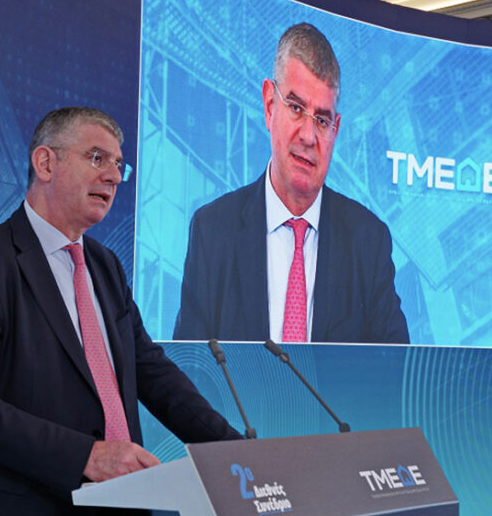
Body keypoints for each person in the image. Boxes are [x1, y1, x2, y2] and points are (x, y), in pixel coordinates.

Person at [0, 107, 241, 515]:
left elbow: (153, 374)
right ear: (45, 163)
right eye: (97, 158)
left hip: (119, 501)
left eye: (119, 165)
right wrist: (87, 457)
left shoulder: (106, 266)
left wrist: (236, 452)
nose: (114, 176)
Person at [173, 23, 409, 344]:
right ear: (270, 104)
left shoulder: (368, 241)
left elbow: (395, 368)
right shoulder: (212, 231)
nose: (309, 136)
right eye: (296, 108)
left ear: (335, 129)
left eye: (322, 120)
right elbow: (189, 367)